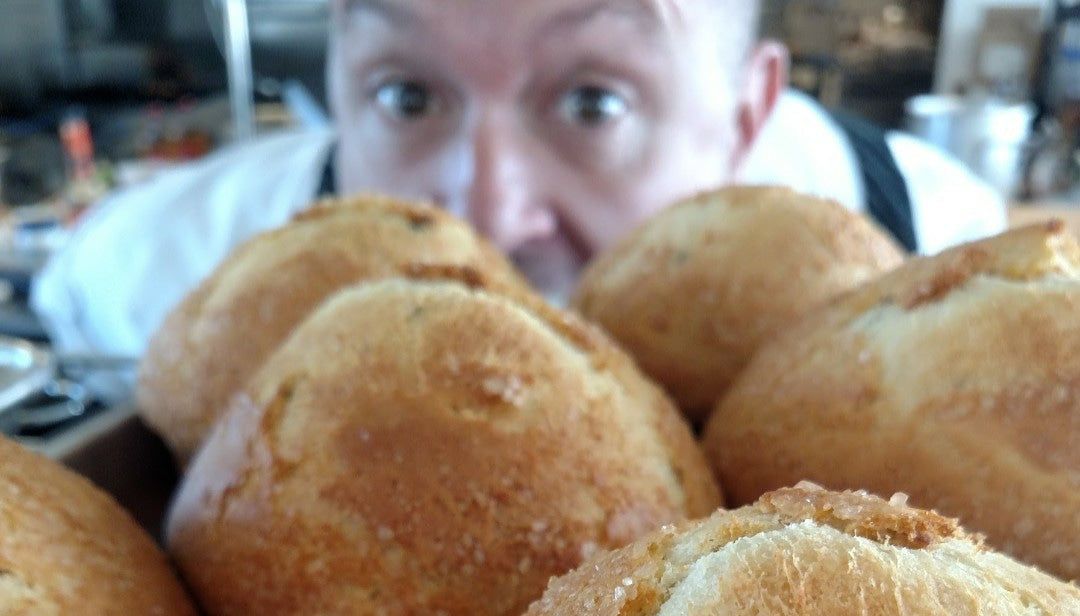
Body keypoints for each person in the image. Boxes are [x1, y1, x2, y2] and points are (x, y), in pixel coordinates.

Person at [31, 0, 1007, 359]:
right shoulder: (173, 263)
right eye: (410, 95)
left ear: (746, 114)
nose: (490, 215)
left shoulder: (935, 235)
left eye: (594, 103)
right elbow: (72, 296)